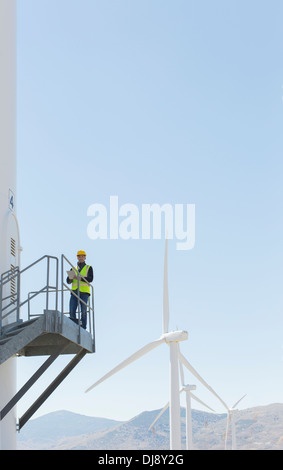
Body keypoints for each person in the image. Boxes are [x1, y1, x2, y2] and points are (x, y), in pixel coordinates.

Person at [66, 250, 93, 329]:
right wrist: (71, 277)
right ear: (77, 257)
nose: (81, 258)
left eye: (82, 256)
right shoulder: (73, 268)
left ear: (85, 257)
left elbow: (90, 279)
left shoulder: (89, 268)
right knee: (72, 310)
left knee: (83, 312)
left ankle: (83, 327)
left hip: (84, 292)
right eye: (79, 256)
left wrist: (79, 278)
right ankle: (73, 327)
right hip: (74, 292)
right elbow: (68, 281)